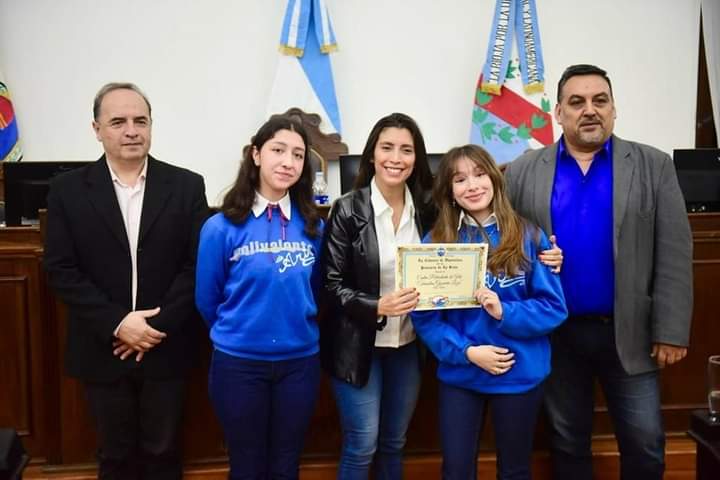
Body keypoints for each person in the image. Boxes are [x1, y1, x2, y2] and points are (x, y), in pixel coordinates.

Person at [504, 64, 694, 480]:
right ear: (558, 113)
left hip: (631, 332)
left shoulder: (652, 165)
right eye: (577, 102)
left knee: (645, 443)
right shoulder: (522, 171)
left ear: (613, 108)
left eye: (599, 100)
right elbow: (504, 249)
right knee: (567, 441)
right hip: (557, 334)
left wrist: (671, 330)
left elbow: (675, 251)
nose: (590, 110)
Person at [44, 82, 209, 479]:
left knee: (164, 452)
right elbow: (60, 269)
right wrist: (120, 323)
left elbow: (197, 265)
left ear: (151, 126)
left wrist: (153, 326)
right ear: (97, 129)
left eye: (140, 120)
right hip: (104, 347)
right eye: (118, 122)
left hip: (165, 343)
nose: (131, 130)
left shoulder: (187, 185)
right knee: (114, 456)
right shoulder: (67, 190)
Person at [410, 144, 567, 480]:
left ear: (495, 180)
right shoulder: (435, 242)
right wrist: (467, 352)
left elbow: (553, 308)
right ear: (449, 192)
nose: (473, 185)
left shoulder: (529, 235)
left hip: (519, 373)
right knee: (456, 470)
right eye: (460, 179)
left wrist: (504, 312)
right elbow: (425, 317)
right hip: (461, 374)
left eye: (480, 174)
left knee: (514, 470)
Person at [195, 115, 323, 479]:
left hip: (299, 364)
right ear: (256, 155)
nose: (288, 162)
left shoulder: (313, 225)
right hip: (238, 365)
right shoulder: (221, 227)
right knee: (247, 464)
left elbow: (315, 291)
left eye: (298, 155)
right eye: (278, 150)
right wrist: (242, 331)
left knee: (286, 463)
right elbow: (207, 299)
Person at [320, 112, 436, 479]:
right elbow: (330, 285)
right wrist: (377, 306)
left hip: (408, 346)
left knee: (394, 442)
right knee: (363, 442)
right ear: (372, 154)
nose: (395, 158)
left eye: (406, 150)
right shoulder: (348, 208)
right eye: (387, 148)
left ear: (417, 159)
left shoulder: (429, 211)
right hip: (357, 346)